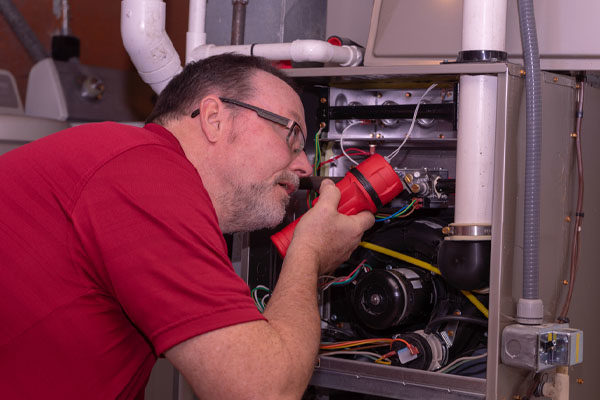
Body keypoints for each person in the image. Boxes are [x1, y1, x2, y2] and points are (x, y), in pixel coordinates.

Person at [0, 54, 374, 399]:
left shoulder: (135, 166)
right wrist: (308, 253)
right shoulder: (145, 174)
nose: (305, 166)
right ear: (215, 118)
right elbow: (262, 391)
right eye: (291, 134)